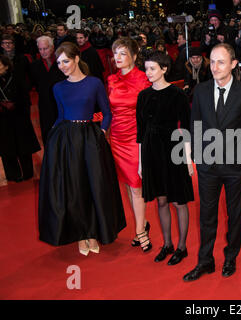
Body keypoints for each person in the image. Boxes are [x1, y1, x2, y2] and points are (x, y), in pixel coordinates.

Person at [38, 42, 126, 255]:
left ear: (77, 58)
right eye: (59, 63)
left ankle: (94, 232)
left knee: (93, 184)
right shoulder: (58, 88)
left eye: (66, 61)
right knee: (74, 187)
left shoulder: (94, 83)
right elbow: (60, 115)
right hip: (66, 140)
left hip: (90, 138)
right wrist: (52, 140)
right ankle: (81, 234)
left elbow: (107, 113)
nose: (62, 66)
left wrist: (102, 132)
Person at [183, 43, 241, 282]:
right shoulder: (201, 90)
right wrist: (197, 156)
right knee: (207, 214)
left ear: (234, 64)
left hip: (236, 167)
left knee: (235, 214)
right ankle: (205, 260)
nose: (215, 67)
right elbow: (194, 124)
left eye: (221, 62)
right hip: (207, 165)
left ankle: (230, 257)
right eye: (212, 61)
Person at [136, 51, 194, 266]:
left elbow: (186, 128)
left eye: (152, 68)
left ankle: (182, 247)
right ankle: (167, 243)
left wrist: (188, 160)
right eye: (146, 68)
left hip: (174, 149)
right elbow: (140, 133)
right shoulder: (143, 96)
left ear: (164, 69)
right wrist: (142, 163)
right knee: (161, 199)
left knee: (179, 201)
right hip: (152, 151)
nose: (148, 72)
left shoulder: (178, 95)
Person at [108, 38, 152, 253]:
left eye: (123, 53)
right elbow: (107, 111)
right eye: (115, 53)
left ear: (134, 56)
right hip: (116, 138)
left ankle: (141, 230)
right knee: (127, 184)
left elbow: (150, 114)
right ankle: (141, 225)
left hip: (136, 139)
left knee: (136, 186)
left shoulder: (144, 80)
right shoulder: (111, 80)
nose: (117, 57)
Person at [0, 54, 40, 182]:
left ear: (6, 66)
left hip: (19, 115)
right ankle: (13, 174)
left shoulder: (16, 76)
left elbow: (25, 95)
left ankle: (27, 172)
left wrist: (15, 104)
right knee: (6, 147)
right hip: (2, 118)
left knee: (23, 145)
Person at [29, 36, 66, 146]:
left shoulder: (62, 63)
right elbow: (35, 84)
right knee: (47, 134)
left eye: (45, 48)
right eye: (40, 49)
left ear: (52, 47)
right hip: (45, 105)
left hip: (62, 104)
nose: (43, 52)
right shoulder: (35, 66)